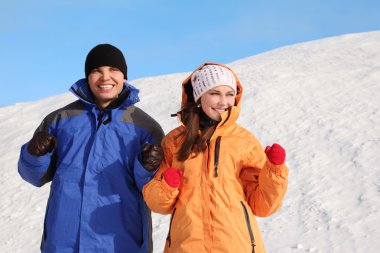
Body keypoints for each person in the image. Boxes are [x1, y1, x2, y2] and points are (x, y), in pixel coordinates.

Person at [18, 44, 164, 253]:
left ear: (124, 76)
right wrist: (34, 154)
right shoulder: (60, 120)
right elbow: (34, 176)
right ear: (88, 77)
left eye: (113, 70)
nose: (105, 78)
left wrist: (148, 167)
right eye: (97, 70)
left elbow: (155, 191)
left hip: (120, 242)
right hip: (63, 241)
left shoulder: (144, 127)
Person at [143, 63, 288, 253]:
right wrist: (167, 186)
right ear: (199, 96)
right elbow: (157, 204)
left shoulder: (244, 141)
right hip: (186, 246)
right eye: (214, 93)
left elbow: (262, 206)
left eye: (229, 94)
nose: (223, 102)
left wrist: (274, 171)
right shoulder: (174, 141)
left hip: (237, 246)